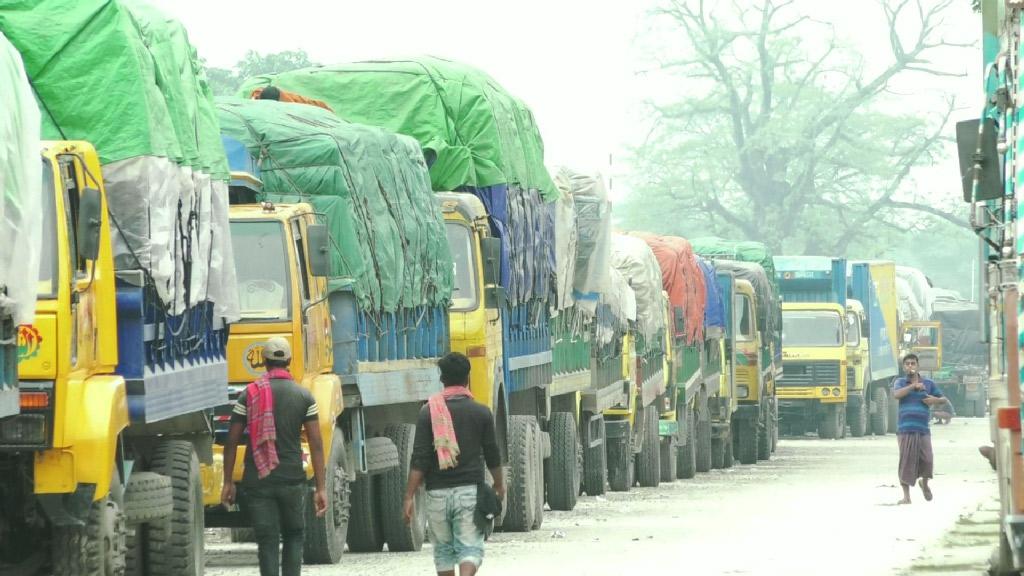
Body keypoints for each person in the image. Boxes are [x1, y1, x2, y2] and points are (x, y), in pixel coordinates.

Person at [221, 337, 328, 576]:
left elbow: (231, 441)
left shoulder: (249, 395)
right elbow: (316, 444)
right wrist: (321, 487)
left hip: (258, 479)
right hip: (292, 478)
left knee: (267, 540)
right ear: (289, 361)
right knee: (294, 535)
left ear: (264, 362)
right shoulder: (304, 397)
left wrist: (228, 481)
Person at [405, 352, 505, 576]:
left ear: (442, 379)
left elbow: (419, 458)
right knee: (470, 548)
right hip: (469, 493)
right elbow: (492, 454)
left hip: (437, 495)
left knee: (443, 553)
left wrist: (409, 496)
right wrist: (499, 484)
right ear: (468, 378)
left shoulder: (428, 412)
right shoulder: (482, 413)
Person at [892, 353, 947, 504]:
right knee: (906, 462)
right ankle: (906, 496)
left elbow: (943, 399)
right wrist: (912, 386)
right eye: (907, 364)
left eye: (913, 363)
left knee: (928, 460)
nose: (910, 366)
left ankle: (925, 483)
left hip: (923, 429)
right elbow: (896, 395)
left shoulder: (928, 383)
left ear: (917, 366)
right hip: (905, 429)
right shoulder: (900, 382)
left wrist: (934, 400)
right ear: (904, 367)